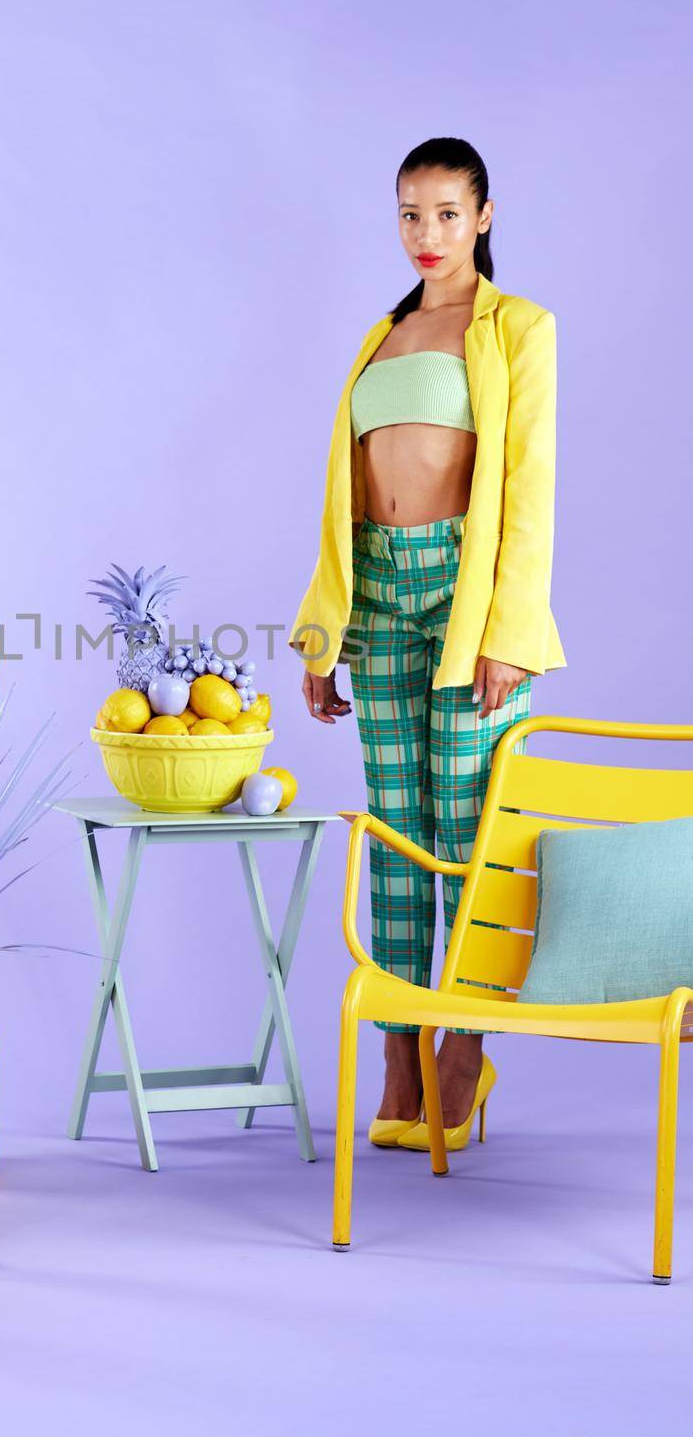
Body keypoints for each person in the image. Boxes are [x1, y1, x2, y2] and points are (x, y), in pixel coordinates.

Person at [290, 136, 566, 1154]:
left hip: (468, 593)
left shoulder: (517, 329)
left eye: (448, 213)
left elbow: (529, 489)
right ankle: (402, 1047)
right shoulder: (380, 337)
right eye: (411, 213)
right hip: (378, 588)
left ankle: (467, 1045)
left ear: (484, 216)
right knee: (399, 840)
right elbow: (342, 499)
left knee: (474, 829)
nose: (427, 234)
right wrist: (326, 633)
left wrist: (506, 627)